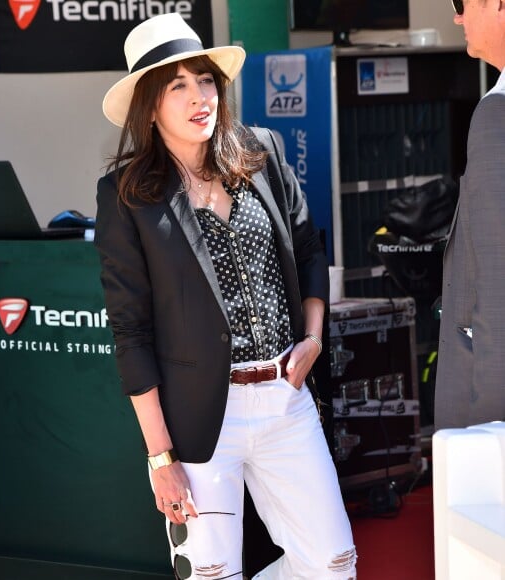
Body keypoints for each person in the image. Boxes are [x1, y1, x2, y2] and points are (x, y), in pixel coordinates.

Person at [94, 12, 356, 580]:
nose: (199, 96)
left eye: (206, 80)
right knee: (211, 574)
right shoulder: (126, 195)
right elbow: (131, 331)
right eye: (178, 85)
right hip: (198, 419)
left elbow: (310, 250)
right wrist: (160, 458)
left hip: (286, 400)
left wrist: (311, 338)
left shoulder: (260, 150)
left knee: (333, 561)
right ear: (149, 104)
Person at [434, 0, 505, 429]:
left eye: (461, 2)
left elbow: (496, 276)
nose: (457, 16)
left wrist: (490, 418)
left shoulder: (497, 116)